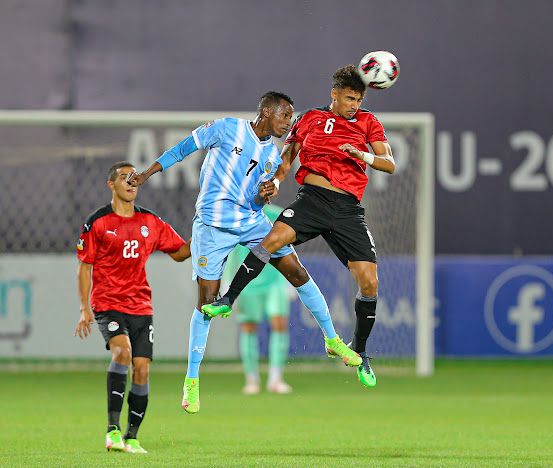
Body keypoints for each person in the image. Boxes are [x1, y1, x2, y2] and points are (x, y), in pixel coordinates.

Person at [127, 91, 361, 415]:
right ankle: (192, 380)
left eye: (291, 117)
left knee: (297, 272)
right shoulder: (227, 128)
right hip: (212, 226)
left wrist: (263, 195)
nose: (288, 123)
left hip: (251, 222)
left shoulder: (272, 156)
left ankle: (332, 339)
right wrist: (147, 173)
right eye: (284, 115)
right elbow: (182, 149)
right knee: (206, 304)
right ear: (266, 112)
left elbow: (256, 200)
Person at [205, 66, 395, 388]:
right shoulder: (309, 119)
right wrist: (277, 182)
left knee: (369, 282)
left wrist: (361, 154)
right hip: (312, 201)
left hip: (348, 210)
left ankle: (360, 351)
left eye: (359, 100)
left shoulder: (368, 122)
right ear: (334, 94)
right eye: (349, 98)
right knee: (270, 240)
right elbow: (287, 157)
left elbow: (389, 163)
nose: (354, 106)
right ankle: (227, 299)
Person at [74, 161, 191, 454]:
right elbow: (85, 267)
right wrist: (84, 308)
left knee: (142, 369)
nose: (131, 182)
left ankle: (132, 437)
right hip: (108, 302)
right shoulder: (98, 222)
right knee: (122, 353)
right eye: (124, 177)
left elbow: (180, 253)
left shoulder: (150, 221)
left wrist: (206, 234)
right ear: (111, 184)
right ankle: (112, 431)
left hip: (140, 304)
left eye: (135, 177)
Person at [223, 204, 293, 395]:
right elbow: (232, 249)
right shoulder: (239, 215)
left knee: (279, 324)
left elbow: (289, 245)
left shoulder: (278, 215)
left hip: (276, 277)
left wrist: (291, 279)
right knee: (249, 326)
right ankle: (251, 379)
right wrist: (228, 282)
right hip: (248, 280)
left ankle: (276, 379)